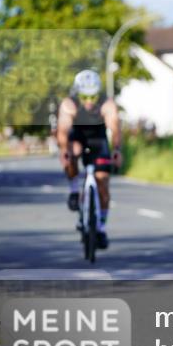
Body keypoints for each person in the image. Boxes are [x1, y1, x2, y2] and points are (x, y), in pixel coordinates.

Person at [56, 69, 122, 249]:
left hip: (98, 140)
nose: (89, 102)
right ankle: (74, 189)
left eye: (93, 97)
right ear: (78, 93)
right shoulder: (69, 104)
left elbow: (114, 127)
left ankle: (100, 227)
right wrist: (64, 151)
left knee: (103, 185)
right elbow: (62, 131)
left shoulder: (106, 104)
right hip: (78, 138)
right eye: (85, 97)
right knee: (72, 153)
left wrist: (117, 150)